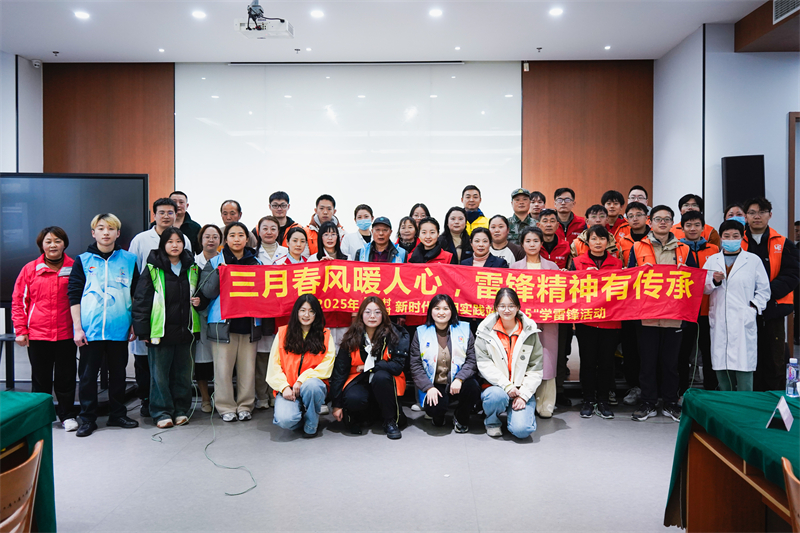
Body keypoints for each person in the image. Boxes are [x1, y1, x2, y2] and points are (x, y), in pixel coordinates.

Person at [68, 214, 139, 437]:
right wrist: (77, 328)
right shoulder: (82, 260)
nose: (106, 232)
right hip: (91, 330)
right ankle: (87, 418)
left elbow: (136, 294)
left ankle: (117, 414)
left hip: (119, 328)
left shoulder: (129, 260)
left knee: (118, 375)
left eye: (110, 228)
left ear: (118, 233)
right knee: (88, 377)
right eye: (101, 228)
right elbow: (74, 295)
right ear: (93, 233)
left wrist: (135, 323)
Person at [627, 205, 696, 422]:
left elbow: (694, 280)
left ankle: (670, 402)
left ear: (673, 222)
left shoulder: (684, 249)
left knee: (671, 363)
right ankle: (648, 402)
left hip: (674, 315)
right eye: (658, 219)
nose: (663, 222)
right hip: (646, 314)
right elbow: (628, 277)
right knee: (647, 362)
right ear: (650, 222)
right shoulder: (637, 247)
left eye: (667, 219)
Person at [129, 198, 193, 418]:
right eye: (170, 242)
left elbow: (197, 294)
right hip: (159, 329)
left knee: (182, 374)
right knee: (159, 374)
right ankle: (161, 411)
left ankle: (181, 409)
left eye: (178, 241)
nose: (175, 245)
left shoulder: (190, 268)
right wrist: (142, 330)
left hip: (184, 329)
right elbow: (141, 299)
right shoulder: (152, 267)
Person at [12, 226, 79, 432]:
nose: (53, 245)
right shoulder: (30, 269)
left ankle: (67, 416)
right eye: (48, 241)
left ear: (64, 244)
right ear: (42, 245)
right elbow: (19, 301)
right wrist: (20, 330)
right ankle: (40, 418)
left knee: (66, 378)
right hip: (38, 334)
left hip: (67, 333)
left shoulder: (75, 266)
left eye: (57, 241)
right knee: (40, 380)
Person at [199, 222, 264, 422]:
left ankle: (245, 405)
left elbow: (265, 291)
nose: (236, 239)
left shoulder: (257, 263)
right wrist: (219, 273)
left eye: (241, 235)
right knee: (223, 369)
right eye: (232, 235)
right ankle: (225, 406)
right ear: (225, 239)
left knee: (247, 369)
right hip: (222, 323)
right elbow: (207, 291)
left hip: (249, 323)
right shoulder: (215, 262)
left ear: (247, 238)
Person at [703, 220, 771, 392]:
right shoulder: (712, 261)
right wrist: (714, 281)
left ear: (742, 237)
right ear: (721, 237)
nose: (731, 239)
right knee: (722, 367)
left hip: (743, 320)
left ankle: (745, 404)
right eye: (726, 236)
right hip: (720, 320)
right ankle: (726, 404)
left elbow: (764, 290)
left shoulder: (753, 260)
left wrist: (753, 307)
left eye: (735, 236)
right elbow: (703, 288)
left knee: (744, 367)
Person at [330, 297, 409, 439]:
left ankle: (390, 421)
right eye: (368, 312)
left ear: (383, 315)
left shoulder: (395, 335)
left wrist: (369, 367)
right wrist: (336, 404)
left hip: (384, 382)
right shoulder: (351, 337)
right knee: (354, 398)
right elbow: (339, 372)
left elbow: (397, 366)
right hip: (358, 380)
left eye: (377, 312)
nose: (372, 316)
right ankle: (359, 417)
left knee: (381, 376)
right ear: (361, 314)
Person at [742, 197, 799, 391]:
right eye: (752, 213)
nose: (757, 216)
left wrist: (765, 294)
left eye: (762, 212)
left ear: (770, 215)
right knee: (748, 356)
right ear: (746, 216)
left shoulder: (784, 243)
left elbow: (792, 274)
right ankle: (752, 396)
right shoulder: (738, 242)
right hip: (745, 308)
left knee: (774, 357)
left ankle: (774, 396)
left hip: (773, 308)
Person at [475, 288, 543, 439]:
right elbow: (484, 365)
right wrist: (506, 386)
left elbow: (535, 369)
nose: (507, 310)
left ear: (518, 307)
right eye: (502, 306)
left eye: (511, 306)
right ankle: (492, 422)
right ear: (496, 307)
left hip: (520, 390)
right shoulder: (484, 332)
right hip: (496, 388)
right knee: (496, 396)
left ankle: (517, 415)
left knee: (522, 430)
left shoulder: (530, 332)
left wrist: (524, 395)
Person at [571, 225, 623, 419]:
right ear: (587, 241)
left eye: (602, 238)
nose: (598, 242)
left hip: (610, 321)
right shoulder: (577, 262)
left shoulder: (617, 264)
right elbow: (569, 290)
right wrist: (584, 277)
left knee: (607, 362)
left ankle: (603, 400)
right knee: (588, 362)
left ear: (608, 242)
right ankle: (588, 400)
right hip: (586, 321)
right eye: (594, 238)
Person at [409, 294, 480, 432]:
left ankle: (460, 417)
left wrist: (459, 379)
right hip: (434, 384)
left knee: (473, 388)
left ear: (452, 311)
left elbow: (472, 359)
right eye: (437, 308)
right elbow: (415, 365)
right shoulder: (421, 332)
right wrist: (428, 387)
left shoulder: (464, 330)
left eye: (445, 308)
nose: (441, 312)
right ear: (431, 311)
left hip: (459, 382)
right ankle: (437, 415)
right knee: (435, 410)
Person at [267, 295, 335, 438]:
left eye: (311, 311)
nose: (306, 315)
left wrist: (302, 380)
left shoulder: (326, 335)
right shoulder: (283, 333)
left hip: (312, 387)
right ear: (296, 312)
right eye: (302, 310)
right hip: (289, 389)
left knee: (312, 386)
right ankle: (303, 415)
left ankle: (311, 425)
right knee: (285, 420)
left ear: (316, 314)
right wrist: (284, 387)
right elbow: (274, 366)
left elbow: (326, 367)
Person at [510, 226, 559, 418]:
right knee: (523, 358)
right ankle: (524, 399)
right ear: (522, 244)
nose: (532, 244)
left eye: (536, 241)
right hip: (522, 321)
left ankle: (546, 402)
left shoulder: (552, 267)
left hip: (548, 320)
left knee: (547, 359)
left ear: (541, 243)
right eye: (528, 241)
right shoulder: (514, 267)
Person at [676, 211, 719, 392]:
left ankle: (710, 389)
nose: (692, 229)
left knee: (709, 352)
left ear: (703, 227)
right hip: (683, 311)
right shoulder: (677, 249)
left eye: (696, 225)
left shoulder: (714, 250)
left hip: (707, 309)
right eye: (688, 225)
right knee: (682, 353)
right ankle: (681, 391)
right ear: (682, 228)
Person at [253, 216, 289, 409]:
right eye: (265, 228)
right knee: (262, 357)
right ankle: (261, 396)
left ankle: (276, 393)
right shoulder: (252, 253)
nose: (269, 232)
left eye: (273, 228)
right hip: (261, 310)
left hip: (282, 311)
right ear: (259, 231)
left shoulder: (286, 252)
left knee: (280, 356)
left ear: (278, 231)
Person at [618, 201, 650, 406]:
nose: (635, 218)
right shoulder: (621, 241)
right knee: (630, 346)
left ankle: (651, 389)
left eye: (639, 214)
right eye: (631, 215)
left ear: (647, 217)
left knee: (648, 348)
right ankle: (634, 386)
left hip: (652, 302)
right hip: (628, 301)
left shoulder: (655, 240)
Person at [193, 224, 222, 412]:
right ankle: (205, 399)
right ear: (201, 239)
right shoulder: (192, 262)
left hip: (220, 317)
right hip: (199, 317)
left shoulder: (225, 261)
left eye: (215, 236)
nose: (211, 240)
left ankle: (220, 398)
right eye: (207, 236)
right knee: (202, 360)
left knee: (222, 362)